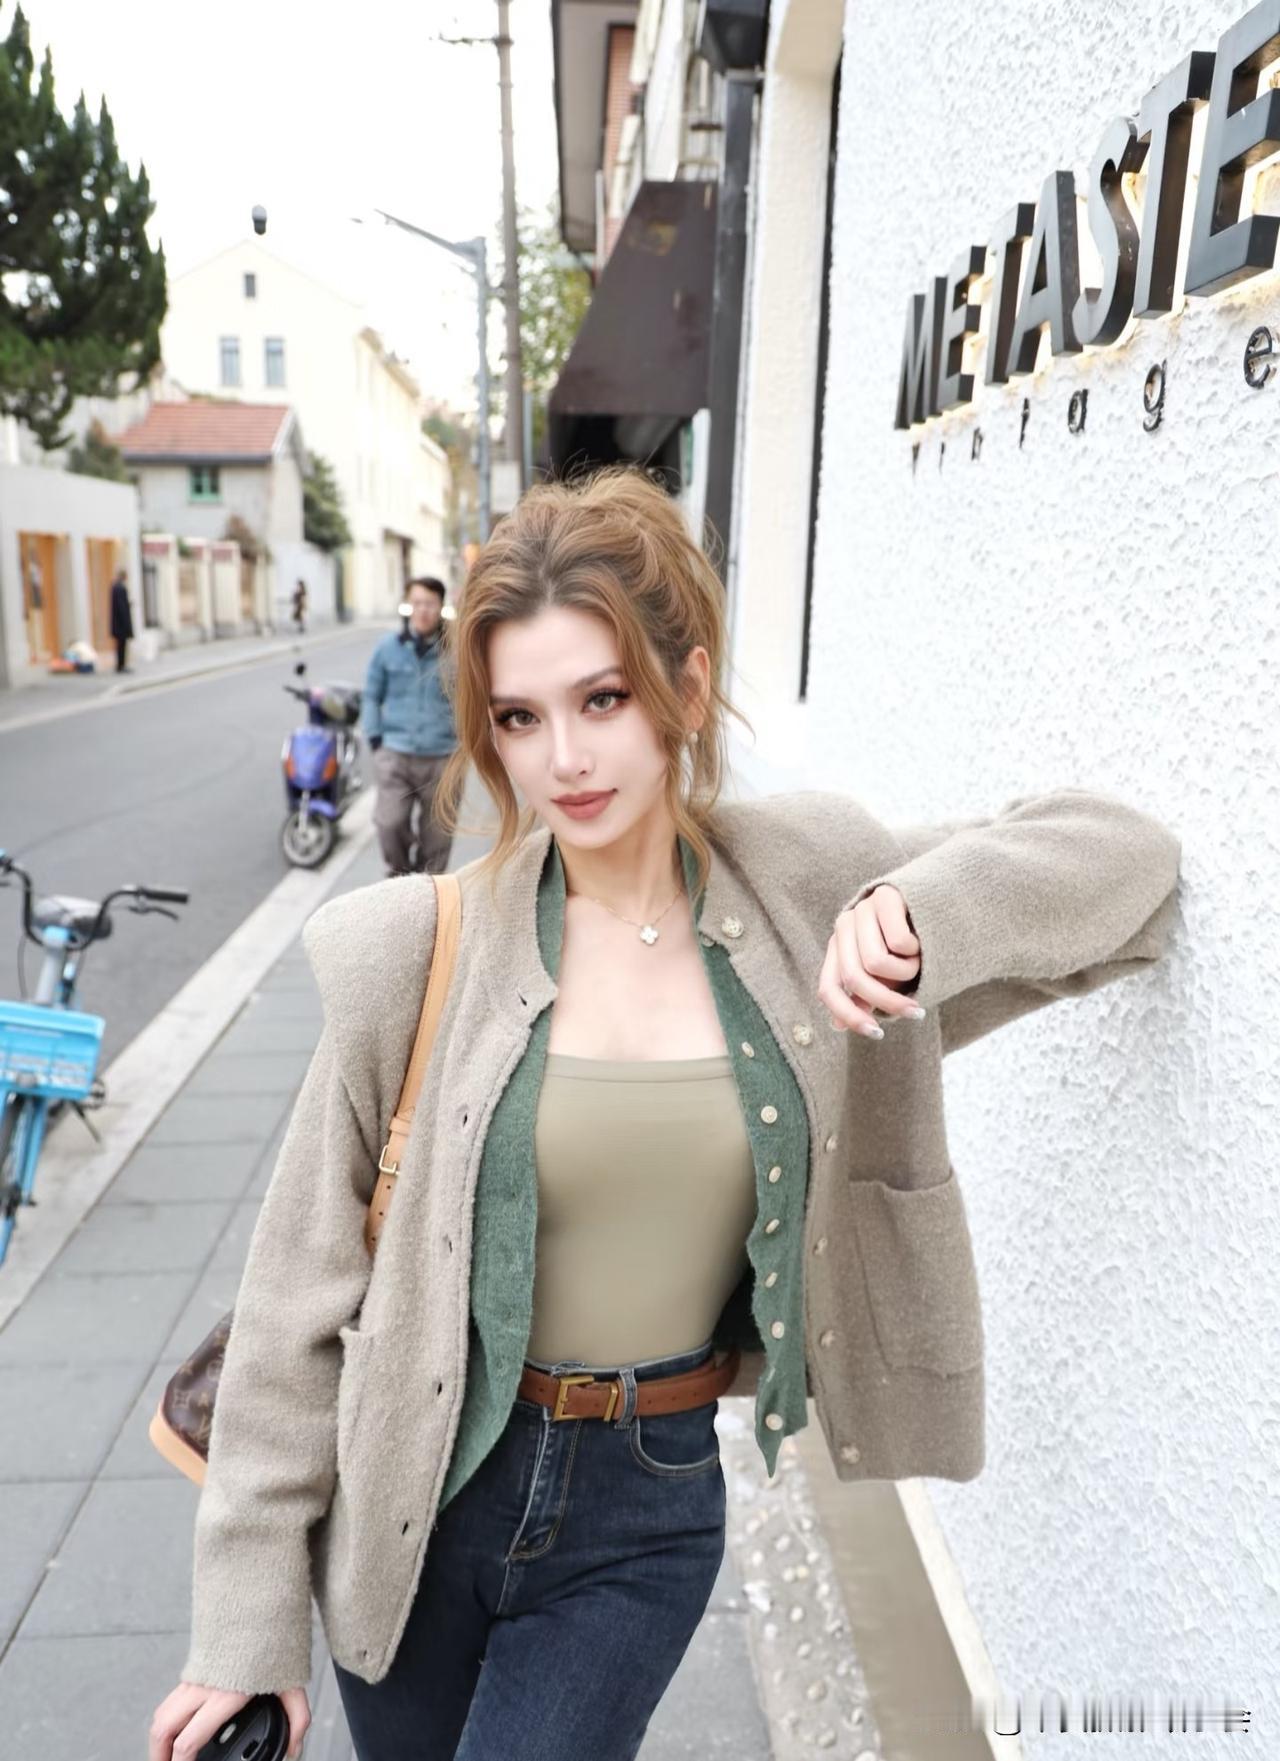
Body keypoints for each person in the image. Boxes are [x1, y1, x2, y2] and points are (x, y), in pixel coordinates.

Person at [151, 465, 1182, 1761]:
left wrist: (922, 914)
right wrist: (242, 1631)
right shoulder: (412, 952)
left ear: (685, 690)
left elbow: (1126, 862)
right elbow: (294, 1299)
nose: (565, 758)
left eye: (603, 698)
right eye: (520, 717)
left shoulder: (805, 892)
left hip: (642, 1509)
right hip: (416, 1491)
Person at [361, 576, 458, 877]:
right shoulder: (387, 648)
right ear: (407, 606)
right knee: (389, 824)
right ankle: (399, 882)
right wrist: (376, 741)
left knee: (438, 840)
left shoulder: (457, 651)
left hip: (442, 759)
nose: (423, 610)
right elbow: (371, 696)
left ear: (440, 607)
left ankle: (428, 892)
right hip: (396, 755)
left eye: (430, 603)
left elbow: (472, 700)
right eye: (417, 603)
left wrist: (465, 747)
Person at [109, 569, 134, 674]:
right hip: (121, 624)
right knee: (122, 645)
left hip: (117, 623)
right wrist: (126, 624)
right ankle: (121, 665)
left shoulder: (114, 587)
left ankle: (121, 665)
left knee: (120, 645)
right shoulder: (120, 588)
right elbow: (121, 607)